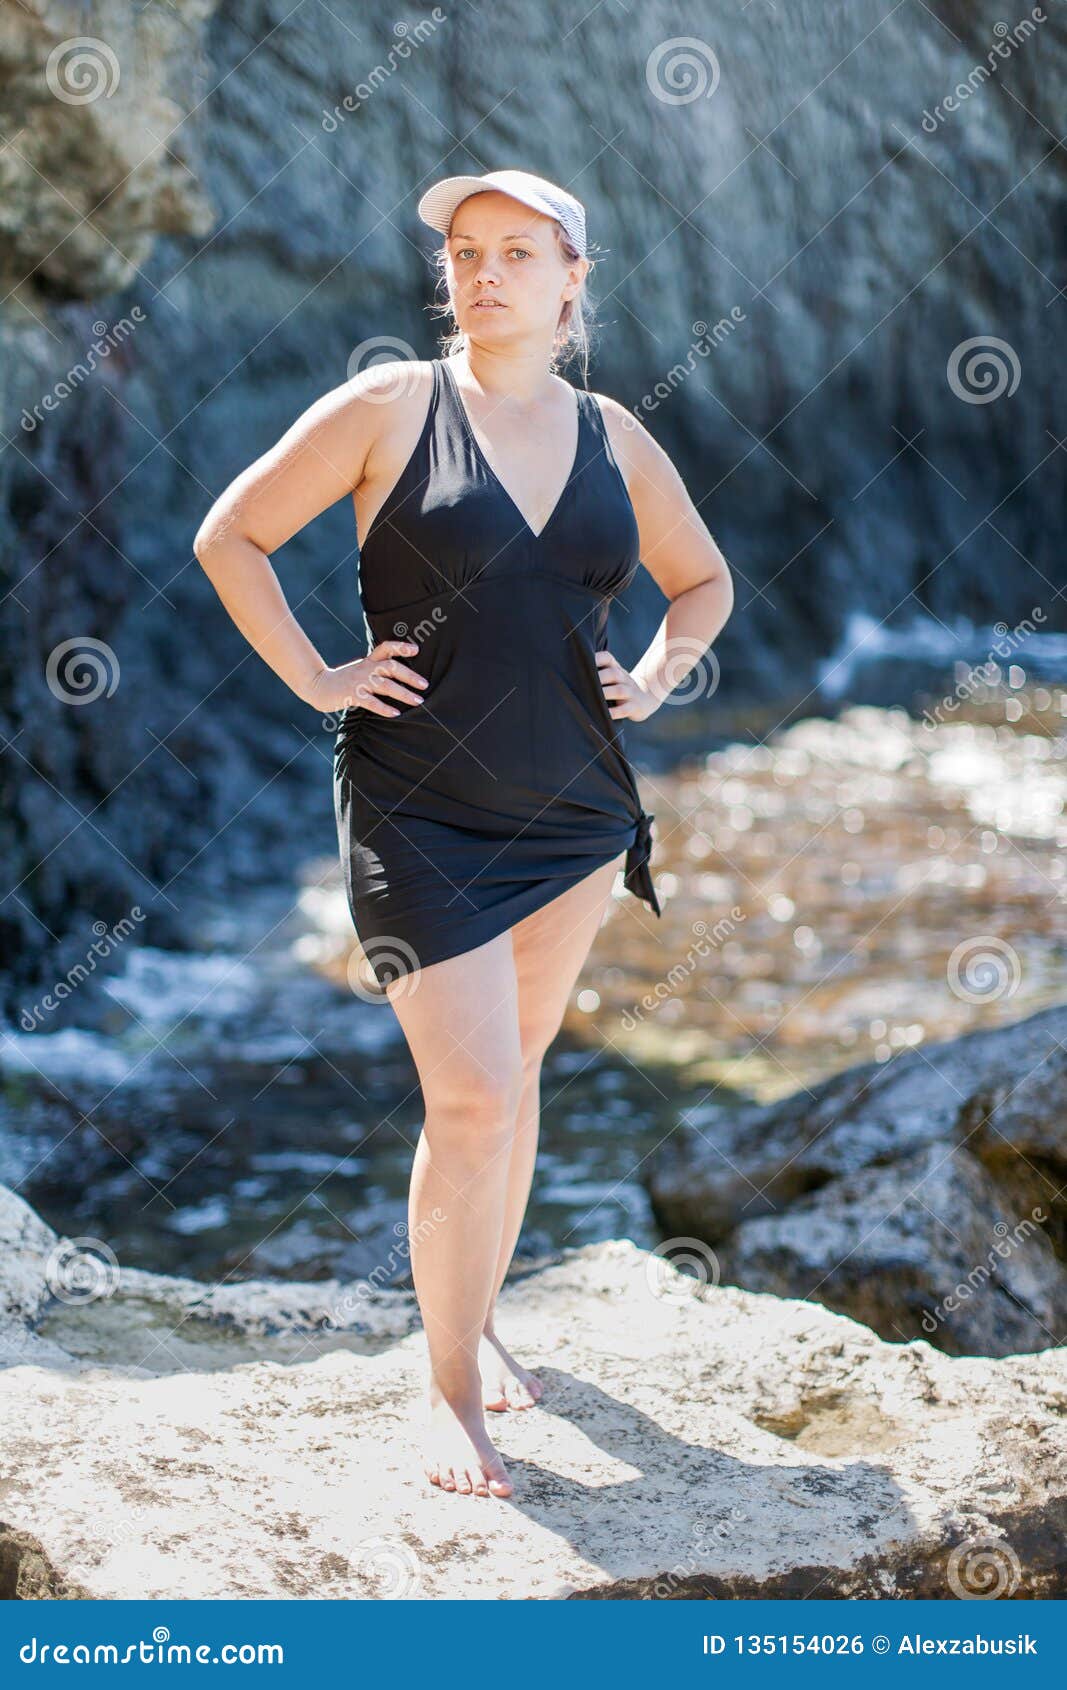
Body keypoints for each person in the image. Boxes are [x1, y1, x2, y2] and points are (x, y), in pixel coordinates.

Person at [194, 167, 733, 1501]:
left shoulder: (615, 434)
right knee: (475, 1091)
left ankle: (478, 1311)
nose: (484, 270)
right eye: (465, 251)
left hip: (576, 813)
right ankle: (445, 1391)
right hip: (415, 804)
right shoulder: (388, 408)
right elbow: (231, 535)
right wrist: (322, 675)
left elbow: (703, 580)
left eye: (518, 251)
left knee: (521, 1074)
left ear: (572, 281)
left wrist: (657, 676)